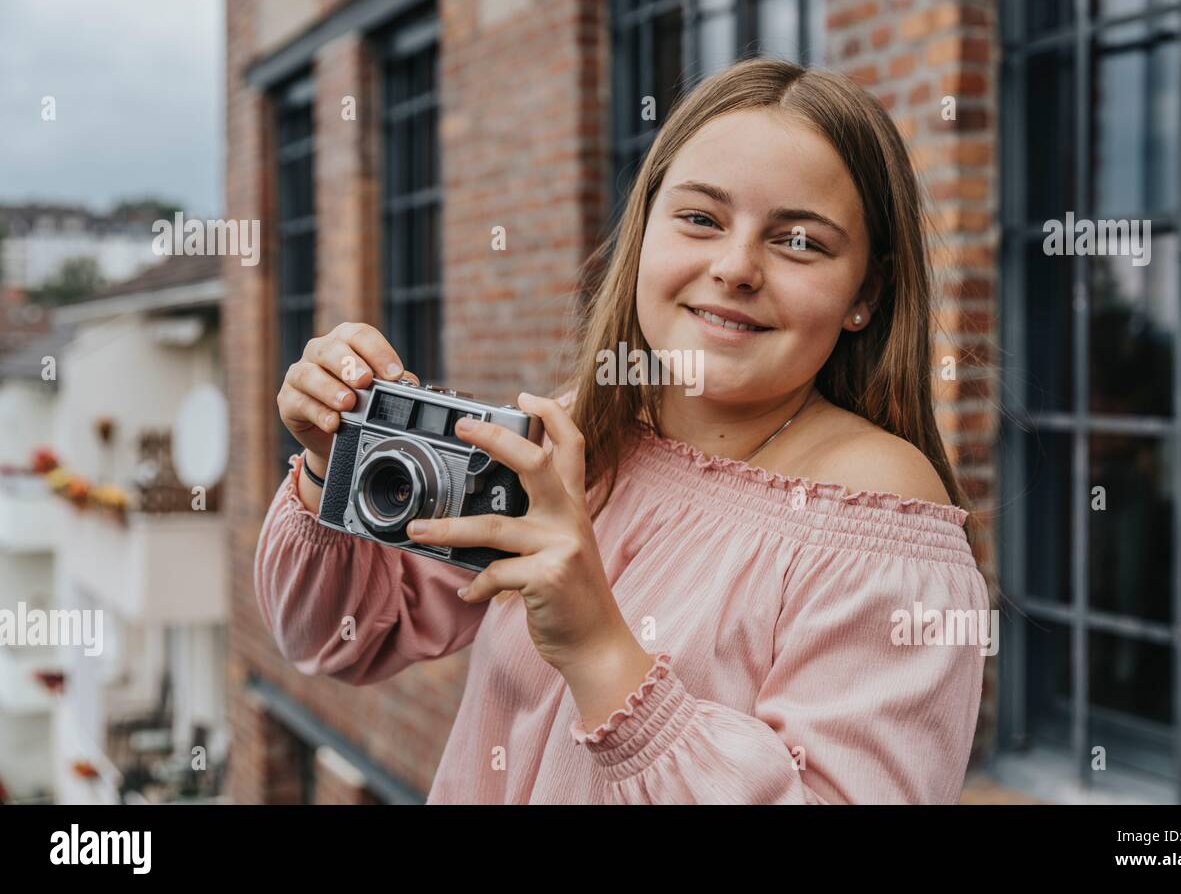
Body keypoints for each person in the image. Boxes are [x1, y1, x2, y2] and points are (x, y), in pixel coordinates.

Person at [255, 57, 993, 804]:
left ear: (864, 291)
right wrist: (330, 467)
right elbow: (337, 640)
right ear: (644, 232)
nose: (736, 267)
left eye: (799, 241)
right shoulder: (580, 433)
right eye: (701, 219)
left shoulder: (878, 517)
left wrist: (600, 651)